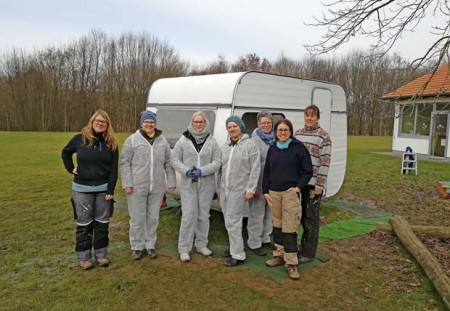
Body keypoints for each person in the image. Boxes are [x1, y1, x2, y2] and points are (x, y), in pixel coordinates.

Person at [61, 109, 119, 270]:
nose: (100, 124)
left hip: (103, 190)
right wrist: (70, 168)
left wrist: (110, 190)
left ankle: (101, 255)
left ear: (107, 125)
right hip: (81, 189)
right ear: (92, 122)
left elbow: (114, 169)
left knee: (102, 223)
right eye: (98, 121)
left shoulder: (111, 143)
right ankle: (84, 257)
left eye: (104, 122)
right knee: (84, 224)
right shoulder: (79, 139)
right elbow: (65, 153)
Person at [120, 111, 176, 260]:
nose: (149, 124)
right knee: (137, 218)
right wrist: (127, 183)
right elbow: (125, 163)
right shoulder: (132, 140)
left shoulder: (162, 140)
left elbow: (168, 163)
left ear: (155, 124)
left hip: (157, 186)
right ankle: (137, 246)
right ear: (141, 124)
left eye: (152, 122)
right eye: (147, 122)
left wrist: (171, 182)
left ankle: (150, 245)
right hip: (137, 186)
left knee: (153, 217)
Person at [262, 119, 313, 280]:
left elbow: (308, 171)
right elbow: (267, 171)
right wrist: (265, 191)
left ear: (290, 131)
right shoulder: (273, 148)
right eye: (279, 130)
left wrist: (298, 188)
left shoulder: (298, 148)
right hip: (274, 193)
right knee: (277, 225)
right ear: (275, 133)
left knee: (289, 227)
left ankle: (291, 263)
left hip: (290, 193)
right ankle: (279, 255)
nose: (282, 133)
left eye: (285, 130)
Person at [170, 111, 222, 262]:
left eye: (201, 122)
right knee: (188, 216)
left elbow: (218, 161)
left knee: (203, 216)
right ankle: (184, 248)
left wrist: (202, 171)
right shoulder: (184, 139)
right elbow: (174, 159)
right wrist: (186, 171)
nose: (198, 124)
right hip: (188, 185)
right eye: (196, 122)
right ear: (192, 123)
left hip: (206, 184)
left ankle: (201, 244)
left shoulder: (211, 141)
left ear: (206, 123)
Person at [219, 116, 260, 267]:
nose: (232, 129)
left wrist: (251, 188)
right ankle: (233, 248)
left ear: (241, 127)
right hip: (225, 188)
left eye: (234, 126)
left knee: (234, 221)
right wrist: (218, 188)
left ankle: (238, 255)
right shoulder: (225, 146)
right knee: (228, 220)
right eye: (229, 127)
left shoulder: (250, 145)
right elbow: (220, 168)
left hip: (239, 189)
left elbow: (255, 169)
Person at [294, 105, 332, 263]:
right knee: (297, 216)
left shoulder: (324, 137)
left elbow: (325, 163)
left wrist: (320, 186)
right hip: (297, 183)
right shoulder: (297, 134)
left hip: (313, 184)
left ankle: (308, 253)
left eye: (312, 115)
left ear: (317, 117)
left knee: (310, 218)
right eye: (307, 115)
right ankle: (295, 247)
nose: (309, 118)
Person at [248, 111, 276, 256]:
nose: (266, 125)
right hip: (258, 183)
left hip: (273, 184)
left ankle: (265, 238)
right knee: (256, 214)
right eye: (263, 123)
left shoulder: (276, 139)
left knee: (269, 213)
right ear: (258, 124)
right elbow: (251, 165)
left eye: (268, 122)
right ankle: (254, 242)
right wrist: (253, 186)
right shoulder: (253, 141)